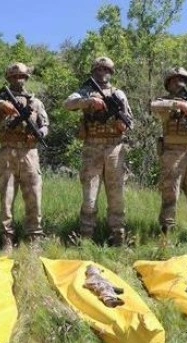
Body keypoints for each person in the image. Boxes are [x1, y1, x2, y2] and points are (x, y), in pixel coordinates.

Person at [0, 62, 49, 252]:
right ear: (8, 78)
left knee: (34, 195)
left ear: (26, 78)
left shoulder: (35, 102)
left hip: (29, 152)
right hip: (7, 152)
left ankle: (34, 237)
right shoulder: (0, 98)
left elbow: (45, 125)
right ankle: (7, 238)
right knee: (6, 197)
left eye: (21, 76)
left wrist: (39, 133)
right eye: (14, 76)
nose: (18, 79)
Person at [63, 57, 133, 247]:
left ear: (111, 72)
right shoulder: (85, 91)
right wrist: (89, 101)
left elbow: (129, 121)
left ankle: (118, 236)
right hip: (92, 147)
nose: (102, 73)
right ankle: (86, 238)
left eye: (106, 70)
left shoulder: (118, 94)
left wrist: (120, 123)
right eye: (98, 70)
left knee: (117, 195)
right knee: (90, 196)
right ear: (93, 72)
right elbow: (68, 104)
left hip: (114, 147)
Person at [150, 67, 187, 241]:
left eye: (182, 80)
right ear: (168, 84)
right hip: (172, 154)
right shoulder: (165, 102)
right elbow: (153, 106)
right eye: (174, 80)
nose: (179, 83)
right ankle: (166, 235)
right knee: (170, 194)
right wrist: (178, 105)